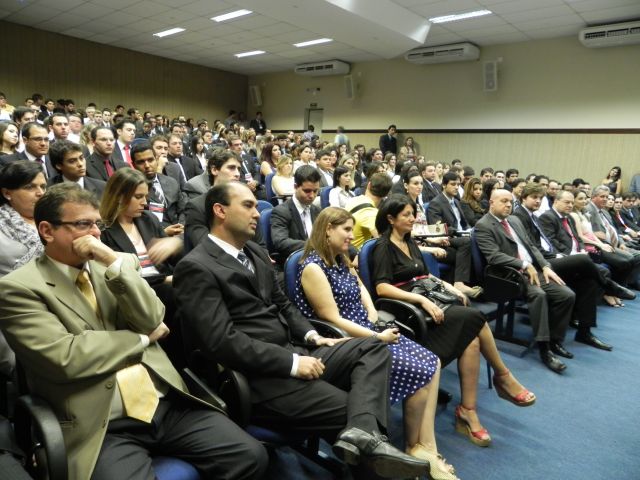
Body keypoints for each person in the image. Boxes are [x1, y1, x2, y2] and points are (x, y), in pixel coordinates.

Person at [0, 183, 268, 480]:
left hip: (164, 404)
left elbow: (153, 319)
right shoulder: (19, 288)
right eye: (83, 225)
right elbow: (66, 357)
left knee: (251, 456)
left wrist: (113, 264)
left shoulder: (116, 265)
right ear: (47, 231)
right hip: (102, 423)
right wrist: (140, 339)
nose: (95, 234)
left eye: (98, 224)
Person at [173, 181, 430, 479]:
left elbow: (283, 304)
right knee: (353, 409)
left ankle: (363, 434)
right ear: (220, 211)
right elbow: (220, 342)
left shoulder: (253, 251)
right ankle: (366, 442)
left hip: (296, 349)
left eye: (255, 205)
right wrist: (293, 363)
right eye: (248, 205)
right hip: (257, 377)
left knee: (373, 347)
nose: (257, 213)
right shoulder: (196, 266)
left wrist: (312, 335)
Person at [294, 207, 458, 480]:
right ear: (328, 230)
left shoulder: (341, 258)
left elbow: (362, 289)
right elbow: (331, 318)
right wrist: (375, 337)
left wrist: (371, 313)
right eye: (346, 230)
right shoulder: (313, 267)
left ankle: (425, 445)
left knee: (433, 361)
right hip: (345, 340)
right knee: (420, 371)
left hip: (368, 328)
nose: (351, 236)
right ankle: (414, 446)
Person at [371, 194, 535, 447]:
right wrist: (421, 301)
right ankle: (503, 375)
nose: (413, 218)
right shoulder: (382, 246)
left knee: (471, 341)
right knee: (475, 317)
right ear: (391, 219)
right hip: (410, 313)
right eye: (406, 215)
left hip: (430, 303)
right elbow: (382, 288)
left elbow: (424, 276)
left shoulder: (409, 240)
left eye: (413, 213)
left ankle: (468, 411)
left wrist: (450, 287)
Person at [475, 189, 576, 373]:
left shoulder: (514, 220)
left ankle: (554, 340)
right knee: (538, 294)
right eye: (503, 201)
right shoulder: (483, 225)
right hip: (511, 274)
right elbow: (494, 256)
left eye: (510, 201)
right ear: (491, 202)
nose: (508, 205)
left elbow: (531, 246)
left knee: (566, 295)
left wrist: (545, 266)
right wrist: (523, 264)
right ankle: (545, 350)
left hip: (533, 270)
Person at [426, 172, 482, 298]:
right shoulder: (436, 203)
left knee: (474, 241)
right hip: (445, 240)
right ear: (444, 185)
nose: (456, 187)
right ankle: (460, 284)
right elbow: (437, 228)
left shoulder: (456, 201)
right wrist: (458, 232)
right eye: (453, 184)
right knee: (466, 242)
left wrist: (468, 230)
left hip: (460, 241)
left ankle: (473, 284)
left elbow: (465, 223)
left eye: (458, 184)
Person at [130, 141, 186, 236]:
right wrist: (163, 232)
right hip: (154, 237)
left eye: (150, 160)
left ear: (156, 159)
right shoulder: (132, 190)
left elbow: (183, 209)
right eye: (141, 162)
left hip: (181, 232)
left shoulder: (171, 182)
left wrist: (181, 226)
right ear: (134, 165)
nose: (147, 166)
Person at [0, 161, 46, 275]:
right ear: (7, 193)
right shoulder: (2, 224)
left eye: (43, 187)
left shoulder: (57, 218)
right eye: (30, 187)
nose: (40, 193)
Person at [271, 166, 321, 263]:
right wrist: (314, 245)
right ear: (295, 187)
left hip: (318, 261)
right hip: (295, 263)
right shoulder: (281, 211)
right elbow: (281, 242)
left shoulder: (317, 211)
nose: (312, 196)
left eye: (315, 191)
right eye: (307, 191)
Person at [345, 172, 393, 250]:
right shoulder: (373, 214)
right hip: (355, 255)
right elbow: (383, 244)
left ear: (369, 185)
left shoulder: (353, 199)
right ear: (386, 194)